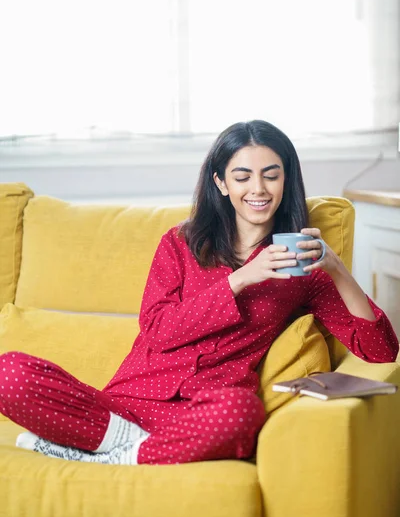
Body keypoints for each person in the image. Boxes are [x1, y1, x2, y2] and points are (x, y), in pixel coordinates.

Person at [0, 120, 398, 466]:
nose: (257, 188)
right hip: (123, 406)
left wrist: (337, 269)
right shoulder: (179, 243)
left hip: (201, 413)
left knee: (242, 413)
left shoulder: (304, 269)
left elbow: (381, 351)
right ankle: (131, 448)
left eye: (271, 175)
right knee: (9, 372)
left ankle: (119, 456)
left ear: (286, 180)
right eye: (242, 177)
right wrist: (240, 280)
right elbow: (157, 331)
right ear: (221, 183)